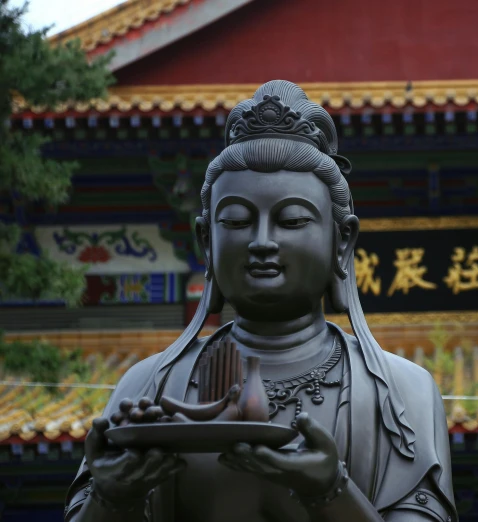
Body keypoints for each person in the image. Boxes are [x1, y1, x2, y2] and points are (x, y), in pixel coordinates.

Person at [63, 80, 457, 522]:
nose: (262, 242)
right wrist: (114, 498)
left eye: (291, 220)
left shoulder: (401, 395)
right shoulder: (149, 387)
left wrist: (331, 491)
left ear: (341, 240)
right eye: (236, 220)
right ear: (205, 241)